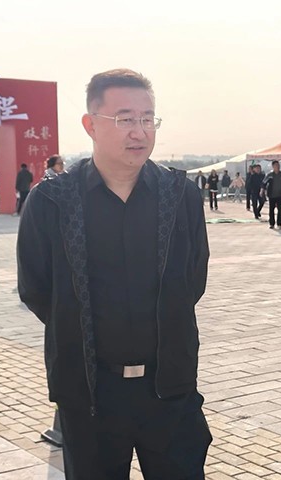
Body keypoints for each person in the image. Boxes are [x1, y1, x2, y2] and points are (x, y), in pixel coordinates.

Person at [17, 68, 211, 480]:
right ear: (90, 124)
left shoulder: (180, 196)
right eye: (124, 119)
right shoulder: (51, 201)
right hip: (90, 395)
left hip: (169, 388)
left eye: (147, 118)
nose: (139, 131)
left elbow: (192, 281)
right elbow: (36, 290)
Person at [261, 161, 281, 229]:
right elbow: (264, 183)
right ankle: (272, 223)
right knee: (271, 209)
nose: (277, 167)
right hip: (272, 195)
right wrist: (262, 190)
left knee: (280, 210)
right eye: (276, 165)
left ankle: (279, 224)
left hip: (280, 195)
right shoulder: (270, 175)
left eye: (278, 165)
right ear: (273, 166)